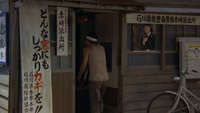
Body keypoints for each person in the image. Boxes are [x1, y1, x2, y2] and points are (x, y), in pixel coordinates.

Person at [77, 32, 109, 113]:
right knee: (100, 100)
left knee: (94, 102)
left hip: (95, 79)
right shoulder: (102, 48)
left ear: (88, 41)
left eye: (86, 40)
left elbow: (84, 65)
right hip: (105, 78)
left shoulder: (87, 49)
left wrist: (79, 75)